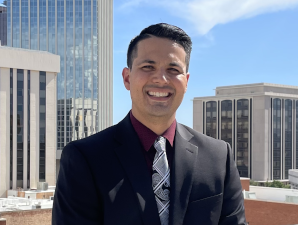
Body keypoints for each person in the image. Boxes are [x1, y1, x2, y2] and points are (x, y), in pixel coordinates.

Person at [52, 23, 247, 225]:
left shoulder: (218, 157)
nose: (161, 79)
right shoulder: (84, 159)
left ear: (186, 81)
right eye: (148, 67)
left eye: (173, 69)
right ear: (127, 78)